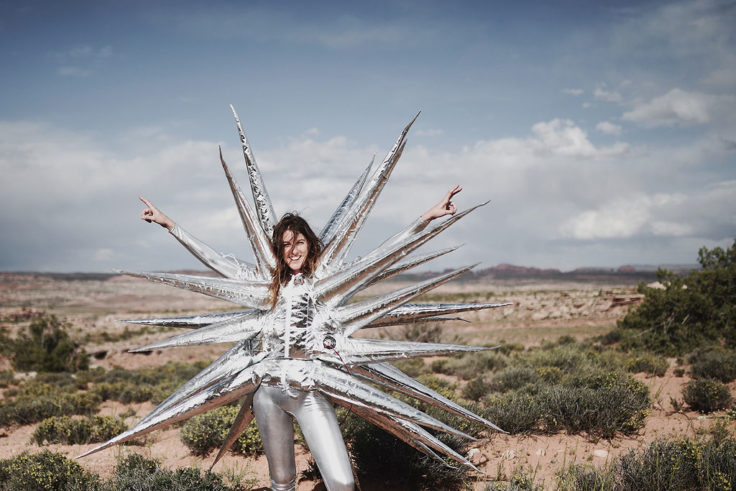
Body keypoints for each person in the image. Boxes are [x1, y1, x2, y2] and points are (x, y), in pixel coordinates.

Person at [139, 184, 462, 491]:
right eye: (285, 244)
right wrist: (171, 225)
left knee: (343, 483)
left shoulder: (325, 281)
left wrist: (426, 219)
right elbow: (215, 260)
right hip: (267, 395)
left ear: (310, 244)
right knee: (282, 483)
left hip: (309, 392)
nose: (292, 250)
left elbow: (380, 256)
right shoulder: (266, 284)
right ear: (279, 250)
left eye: (299, 242)